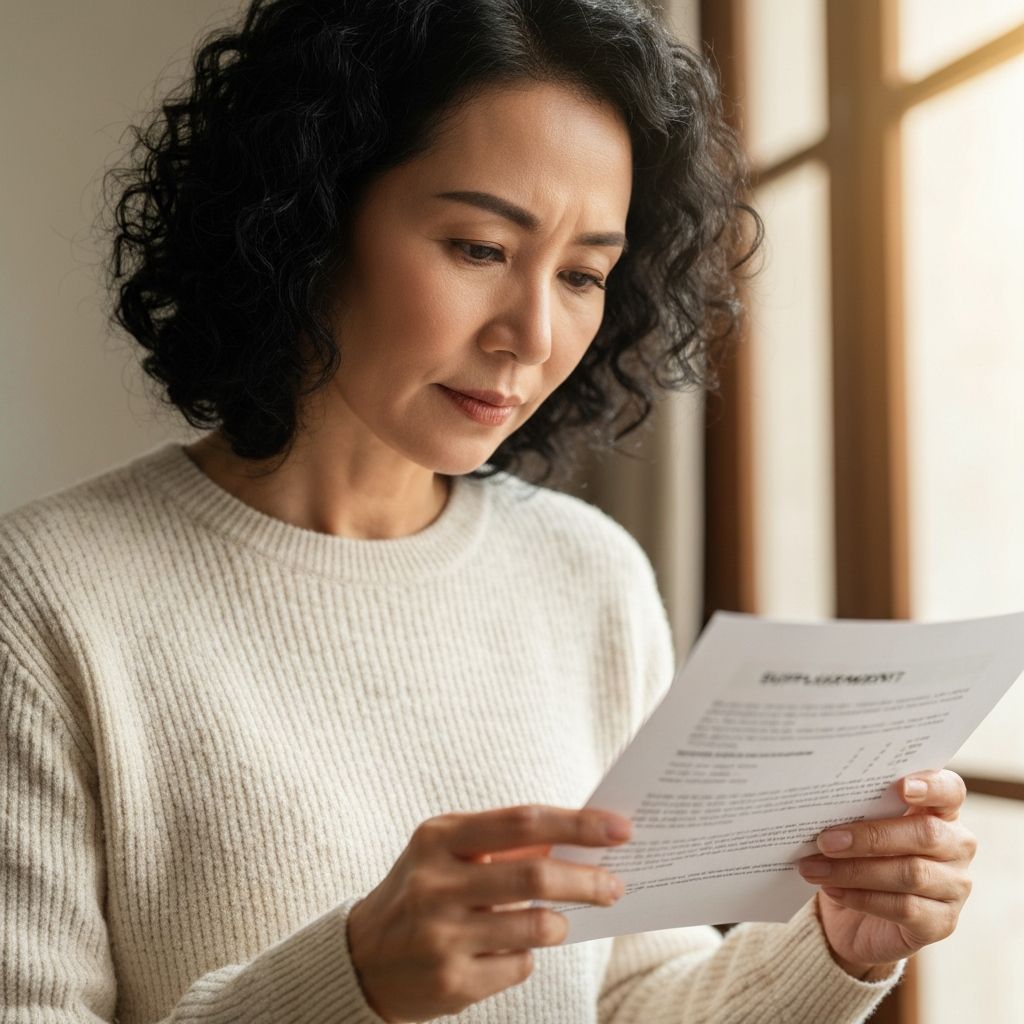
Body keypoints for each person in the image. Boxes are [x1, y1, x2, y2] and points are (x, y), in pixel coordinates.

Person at [0, 1, 976, 1022]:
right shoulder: (48, 599)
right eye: (477, 246)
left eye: (584, 273)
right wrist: (347, 982)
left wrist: (836, 950)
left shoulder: (587, 573)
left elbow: (630, 994)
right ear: (312, 215)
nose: (532, 333)